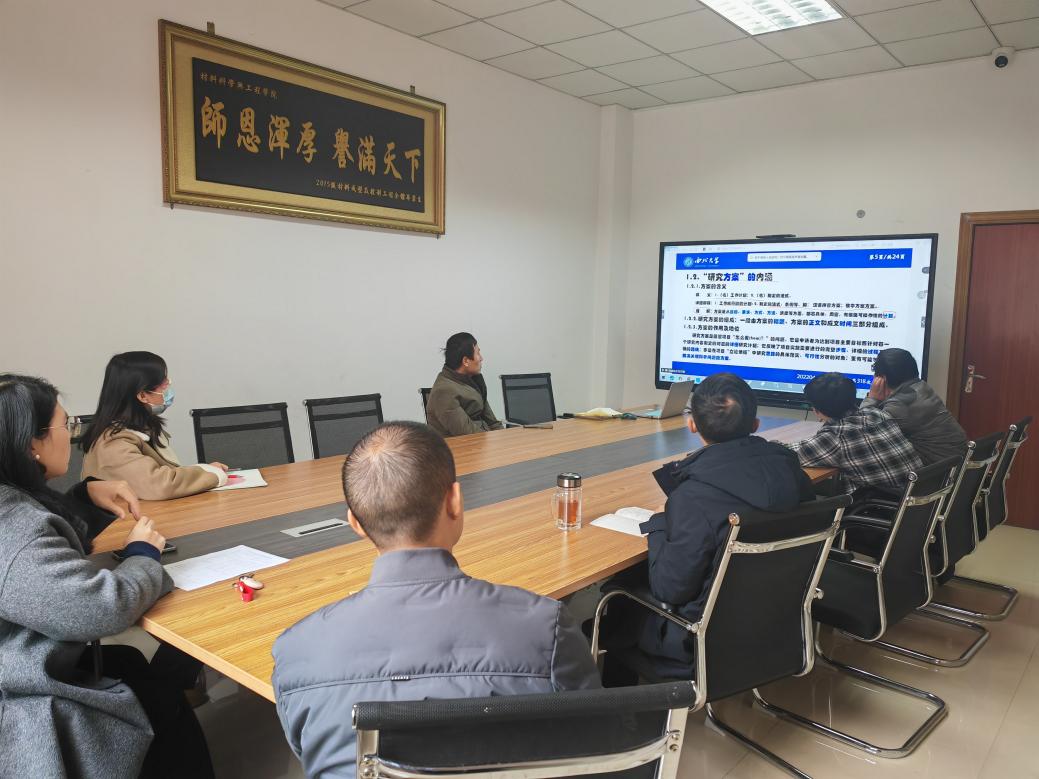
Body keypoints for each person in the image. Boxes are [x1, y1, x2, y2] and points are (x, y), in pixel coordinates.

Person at [273, 421, 600, 777]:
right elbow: (596, 738)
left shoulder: (296, 652)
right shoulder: (547, 627)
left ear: (356, 523)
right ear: (455, 501)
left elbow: (308, 752)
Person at [0, 374, 213, 778]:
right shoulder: (13, 527)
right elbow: (96, 609)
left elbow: (41, 563)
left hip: (23, 661)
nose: (74, 435)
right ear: (31, 444)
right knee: (155, 695)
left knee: (135, 666)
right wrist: (142, 555)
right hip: (21, 694)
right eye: (67, 425)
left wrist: (82, 495)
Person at [597, 373, 815, 684]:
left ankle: (624, 703)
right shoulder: (791, 471)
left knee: (621, 587)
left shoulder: (695, 497)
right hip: (773, 622)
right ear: (755, 425)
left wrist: (658, 524)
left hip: (699, 641)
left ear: (692, 425)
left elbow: (669, 588)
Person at [81, 351, 228, 499]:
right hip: (128, 515)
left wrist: (204, 470)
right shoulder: (112, 443)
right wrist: (210, 473)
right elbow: (160, 485)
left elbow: (165, 474)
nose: (168, 385)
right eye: (163, 383)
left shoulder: (142, 428)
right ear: (142, 395)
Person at [793, 372, 923, 495]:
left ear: (816, 410)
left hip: (880, 504)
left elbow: (789, 456)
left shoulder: (836, 437)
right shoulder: (878, 414)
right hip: (918, 499)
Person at [862, 348, 967, 465]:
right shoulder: (921, 386)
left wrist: (872, 398)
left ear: (882, 379)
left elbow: (862, 430)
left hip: (938, 467)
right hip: (956, 460)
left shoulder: (901, 404)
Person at [426, 332, 503, 437]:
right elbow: (469, 435)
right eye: (478, 353)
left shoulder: (473, 381)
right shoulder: (444, 391)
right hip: (464, 445)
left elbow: (493, 422)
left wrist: (505, 437)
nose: (481, 358)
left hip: (483, 441)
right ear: (466, 361)